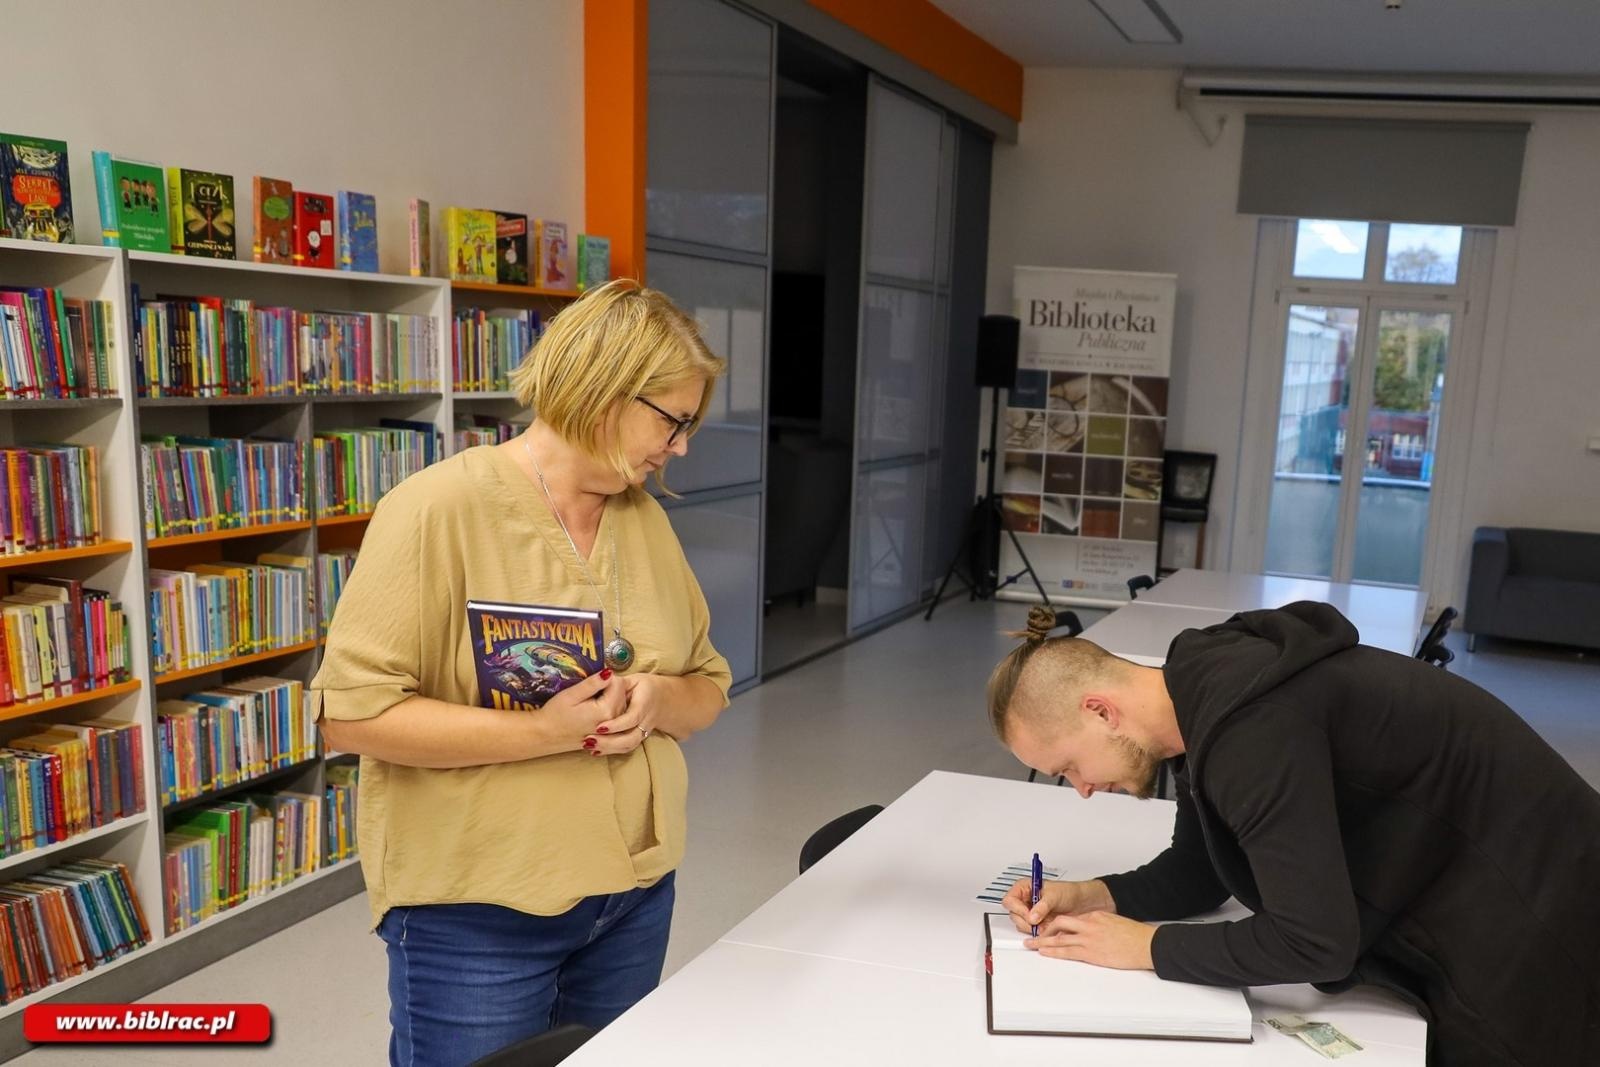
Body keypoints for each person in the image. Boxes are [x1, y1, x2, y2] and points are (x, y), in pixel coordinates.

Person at [314, 279, 733, 1067]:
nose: (680, 446)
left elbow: (708, 683)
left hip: (631, 897)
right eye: (673, 420)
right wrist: (540, 731)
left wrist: (660, 698)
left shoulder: (645, 522)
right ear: (603, 391)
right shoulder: (437, 509)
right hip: (480, 913)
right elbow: (352, 717)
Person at [987, 601, 1600, 1066]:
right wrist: (1094, 895)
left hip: (1543, 908)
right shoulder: (1199, 696)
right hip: (1488, 876)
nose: (1082, 789)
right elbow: (1199, 870)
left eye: (1068, 767)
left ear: (1100, 710)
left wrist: (1146, 948)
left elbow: (1315, 942)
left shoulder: (1249, 731)